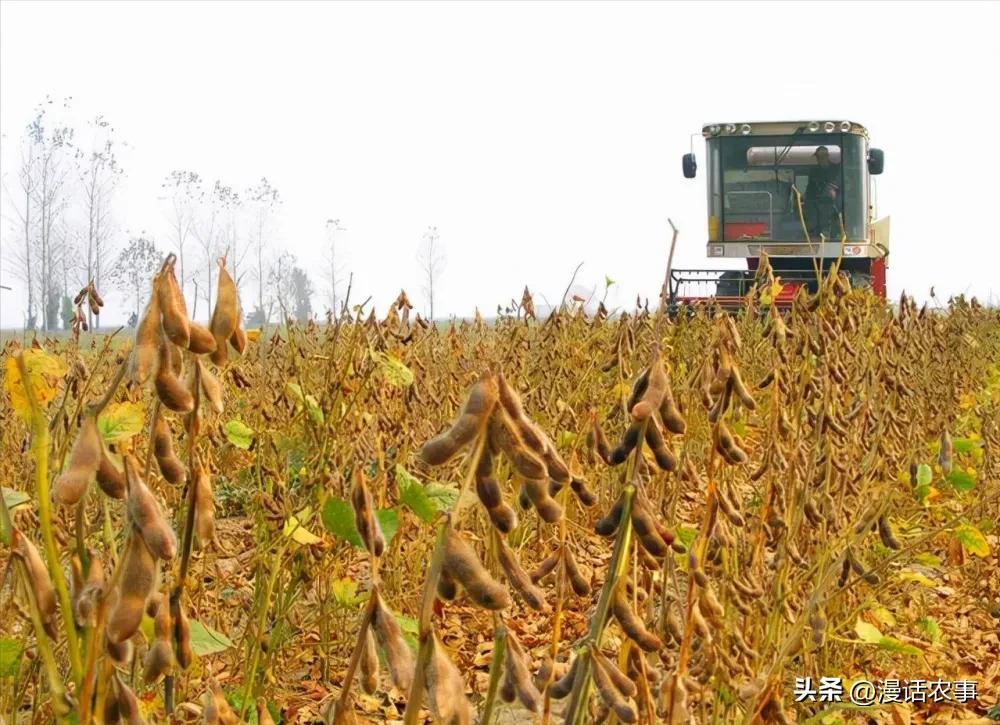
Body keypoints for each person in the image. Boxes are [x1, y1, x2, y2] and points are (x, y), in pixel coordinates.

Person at [804, 145, 840, 238]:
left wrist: (832, 190)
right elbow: (810, 188)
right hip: (815, 203)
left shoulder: (836, 169)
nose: (820, 159)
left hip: (833, 204)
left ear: (827, 156)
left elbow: (838, 185)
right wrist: (805, 198)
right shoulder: (814, 171)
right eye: (819, 157)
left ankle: (828, 234)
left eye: (822, 157)